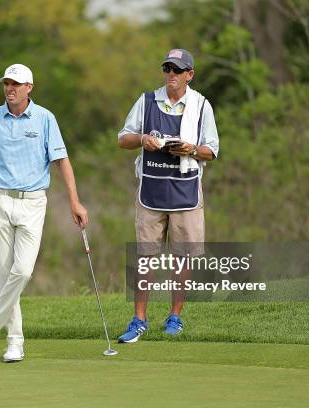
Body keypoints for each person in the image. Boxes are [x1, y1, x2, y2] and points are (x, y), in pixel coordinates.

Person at [0, 63, 88, 362]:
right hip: (1, 201)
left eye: (16, 84)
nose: (10, 89)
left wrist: (75, 201)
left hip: (33, 203)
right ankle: (14, 342)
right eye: (6, 83)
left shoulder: (45, 119)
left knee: (23, 271)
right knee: (5, 275)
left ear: (29, 87)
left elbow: (62, 161)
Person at [116, 49, 219, 342]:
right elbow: (123, 138)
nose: (171, 75)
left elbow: (211, 150)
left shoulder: (201, 106)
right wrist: (142, 139)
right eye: (167, 69)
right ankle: (139, 320)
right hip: (151, 192)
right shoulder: (147, 100)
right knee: (145, 258)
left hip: (186, 193)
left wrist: (191, 150)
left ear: (190, 74)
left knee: (183, 259)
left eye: (177, 70)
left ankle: (175, 316)